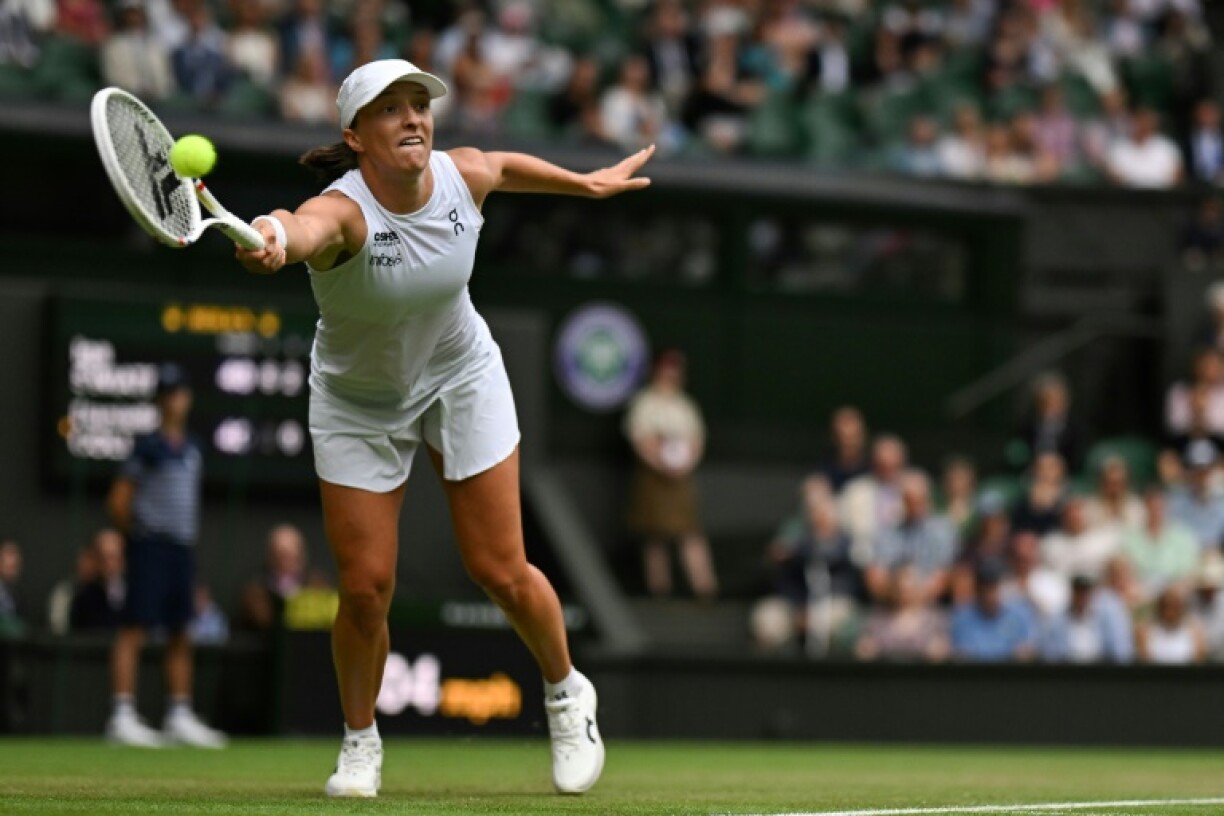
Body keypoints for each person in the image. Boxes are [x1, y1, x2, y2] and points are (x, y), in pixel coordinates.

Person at [232, 59, 651, 797]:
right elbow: (302, 228)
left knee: (499, 569)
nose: (413, 118)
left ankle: (565, 694)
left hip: (461, 375)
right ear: (355, 136)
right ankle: (360, 743)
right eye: (390, 109)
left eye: (419, 104)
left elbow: (502, 165)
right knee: (364, 590)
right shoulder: (345, 212)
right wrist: (271, 234)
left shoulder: (462, 178)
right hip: (359, 402)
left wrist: (584, 182)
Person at [104, 363, 226, 749]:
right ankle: (122, 714)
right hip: (150, 547)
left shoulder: (193, 448)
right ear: (160, 402)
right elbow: (118, 502)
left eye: (179, 393)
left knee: (180, 631)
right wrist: (140, 534)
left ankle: (178, 714)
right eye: (167, 395)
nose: (174, 401)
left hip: (182, 549)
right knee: (134, 627)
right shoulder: (148, 447)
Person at [625, 349, 717, 602]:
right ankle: (659, 589)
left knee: (690, 532)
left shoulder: (685, 405)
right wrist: (661, 463)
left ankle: (704, 588)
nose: (670, 374)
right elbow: (640, 439)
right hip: (654, 479)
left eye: (675, 368)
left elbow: (697, 439)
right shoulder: (645, 403)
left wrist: (684, 464)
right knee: (655, 535)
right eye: (666, 368)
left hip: (681, 478)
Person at [69, 528, 126, 632]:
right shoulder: (84, 597)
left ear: (123, 560)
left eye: (113, 557)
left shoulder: (136, 595)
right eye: (103, 558)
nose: (109, 565)